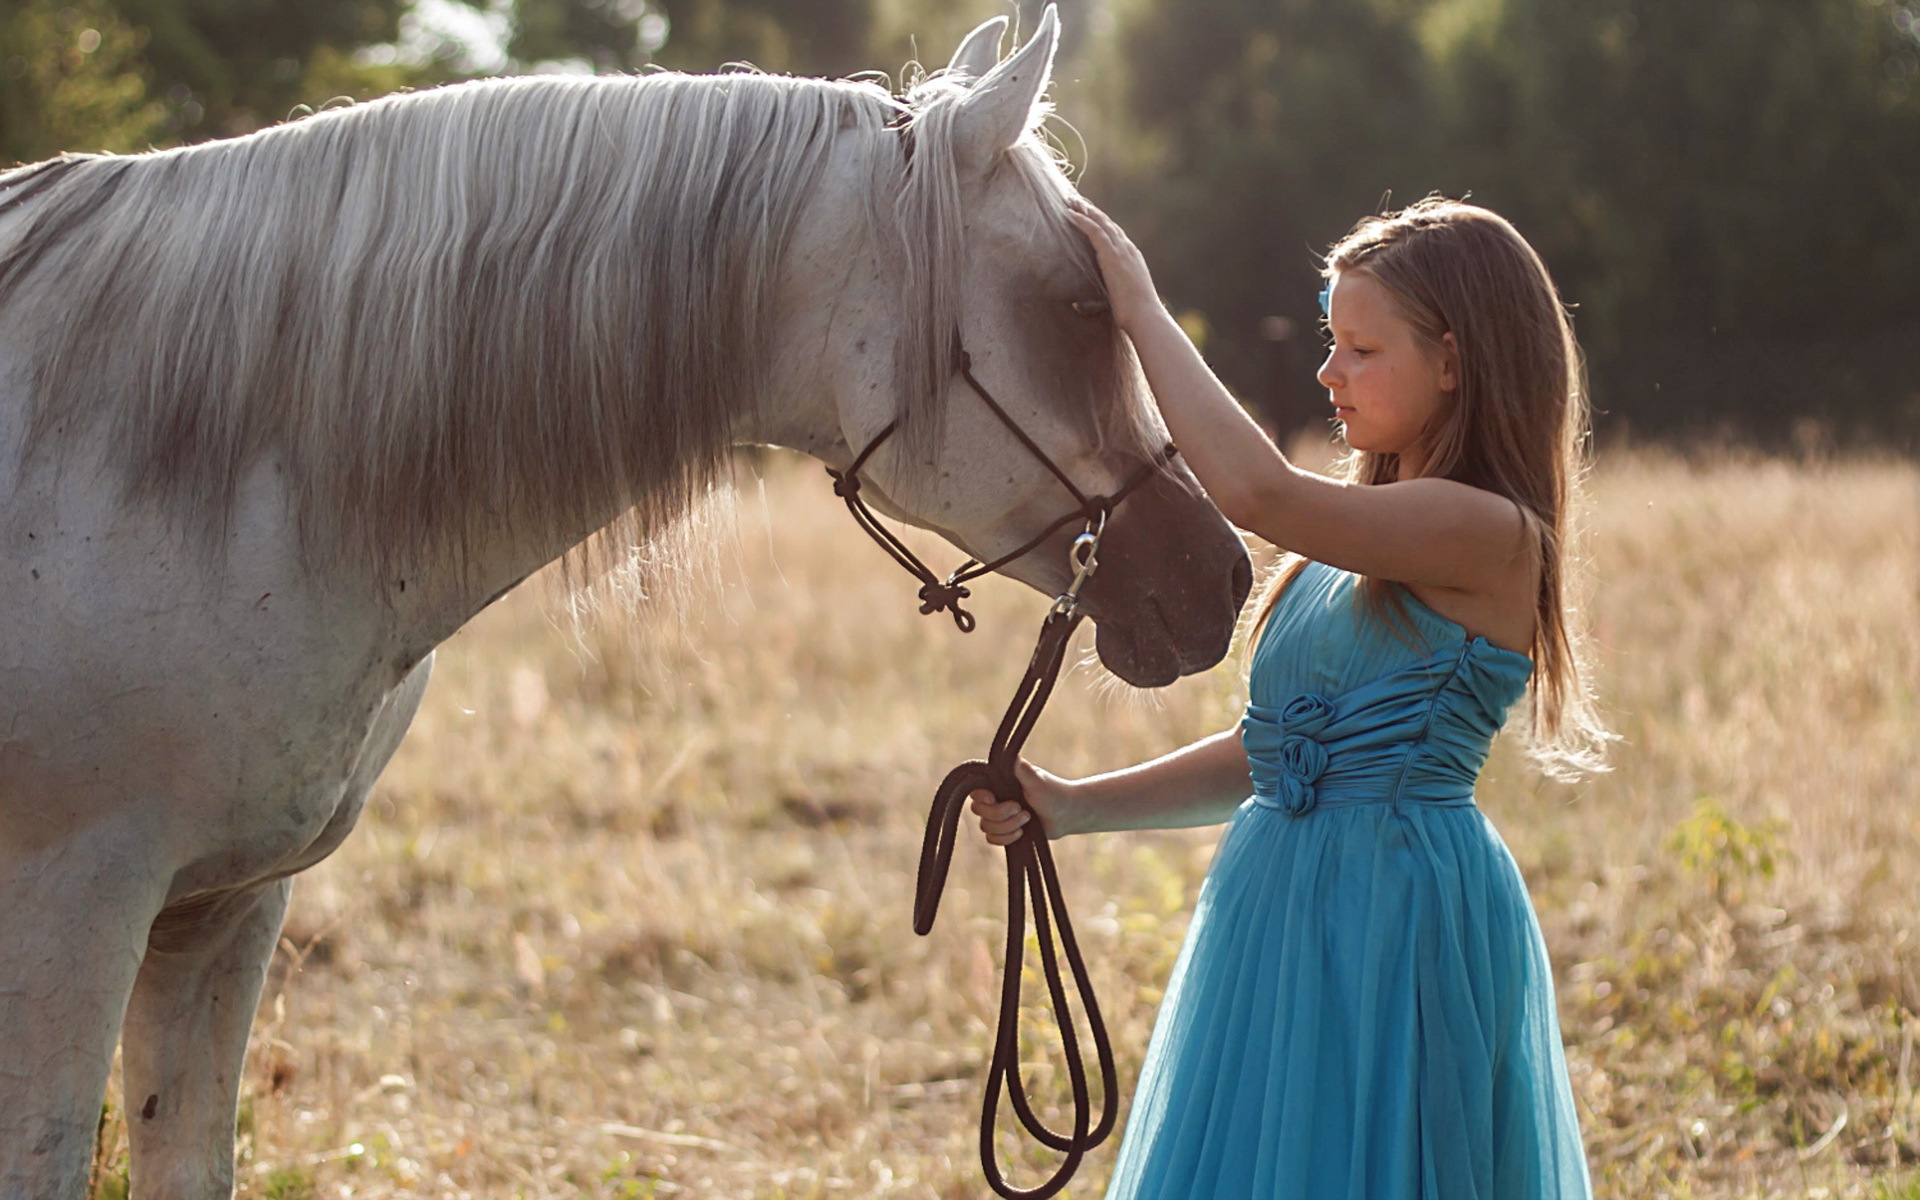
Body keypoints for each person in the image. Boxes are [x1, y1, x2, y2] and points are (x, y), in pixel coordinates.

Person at [971, 195, 1610, 1198]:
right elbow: (1275, 756)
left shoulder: (1488, 529)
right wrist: (1074, 806)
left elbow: (1258, 493)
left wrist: (1141, 312)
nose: (1329, 372)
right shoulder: (1356, 534)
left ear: (1454, 362)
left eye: (1362, 349)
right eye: (1331, 342)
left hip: (1394, 912)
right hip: (1278, 904)